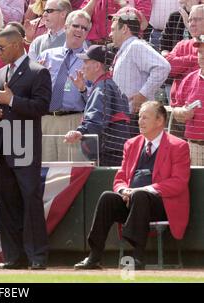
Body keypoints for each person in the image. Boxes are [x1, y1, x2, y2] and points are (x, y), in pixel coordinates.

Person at [74, 101, 191, 270]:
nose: (140, 121)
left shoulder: (178, 146)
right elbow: (120, 177)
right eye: (140, 117)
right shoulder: (131, 144)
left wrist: (142, 190)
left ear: (159, 121)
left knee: (140, 196)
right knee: (107, 197)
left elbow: (178, 183)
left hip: (162, 204)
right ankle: (94, 256)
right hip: (132, 201)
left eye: (145, 117)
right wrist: (124, 190)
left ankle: (137, 257)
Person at [0, 28, 51, 270]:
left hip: (25, 148)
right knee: (7, 204)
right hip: (2, 149)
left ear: (17, 45)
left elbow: (41, 106)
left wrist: (12, 100)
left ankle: (37, 256)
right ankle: (13, 256)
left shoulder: (38, 72)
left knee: (30, 201)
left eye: (2, 48)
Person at [37, 10, 91, 162]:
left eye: (84, 28)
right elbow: (31, 92)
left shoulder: (90, 60)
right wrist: (38, 81)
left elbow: (96, 98)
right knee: (44, 171)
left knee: (71, 172)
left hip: (73, 121)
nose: (80, 30)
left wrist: (83, 89)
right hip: (47, 120)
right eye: (76, 26)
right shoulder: (46, 55)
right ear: (66, 27)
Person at [65, 44, 130, 166]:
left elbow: (97, 118)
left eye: (86, 63)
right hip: (114, 150)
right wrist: (84, 90)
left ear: (97, 66)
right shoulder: (108, 84)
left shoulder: (102, 87)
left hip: (108, 153)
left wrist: (80, 132)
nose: (83, 67)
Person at [110, 6, 170, 136]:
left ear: (125, 28)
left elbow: (163, 67)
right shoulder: (126, 48)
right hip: (127, 119)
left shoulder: (135, 46)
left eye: (113, 29)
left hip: (136, 119)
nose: (110, 34)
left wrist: (142, 94)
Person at [172, 36, 204, 165]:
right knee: (198, 184)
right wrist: (182, 112)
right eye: (200, 51)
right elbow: (176, 108)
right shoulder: (189, 79)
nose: (202, 55)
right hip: (195, 146)